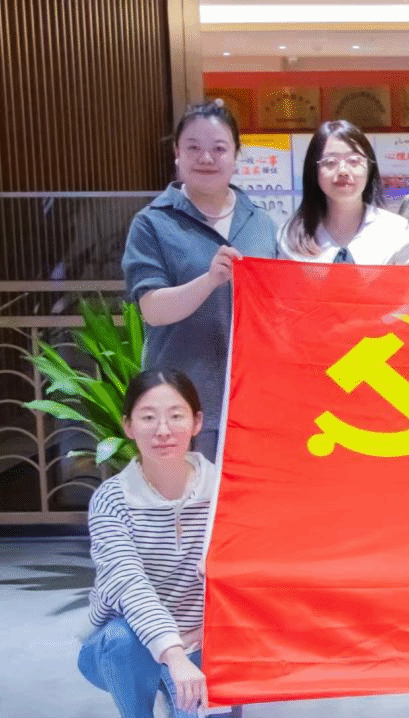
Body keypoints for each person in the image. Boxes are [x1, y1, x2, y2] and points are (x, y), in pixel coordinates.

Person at [77, 369, 241, 718]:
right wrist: (174, 654)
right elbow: (129, 584)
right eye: (148, 417)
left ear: (197, 422)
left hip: (205, 640)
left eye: (176, 415)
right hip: (128, 644)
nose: (163, 430)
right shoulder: (112, 500)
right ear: (128, 426)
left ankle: (173, 709)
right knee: (121, 640)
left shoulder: (227, 492)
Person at [122, 100, 279, 461]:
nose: (206, 158)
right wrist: (209, 280)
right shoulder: (152, 222)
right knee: (187, 495)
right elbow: (152, 309)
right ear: (177, 153)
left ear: (237, 155)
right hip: (182, 404)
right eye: (193, 147)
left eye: (219, 148)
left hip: (250, 401)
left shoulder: (261, 222)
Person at [279, 119, 409, 265]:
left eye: (354, 161)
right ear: (313, 171)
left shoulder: (396, 231)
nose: (343, 171)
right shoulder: (291, 235)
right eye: (330, 162)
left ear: (369, 168)